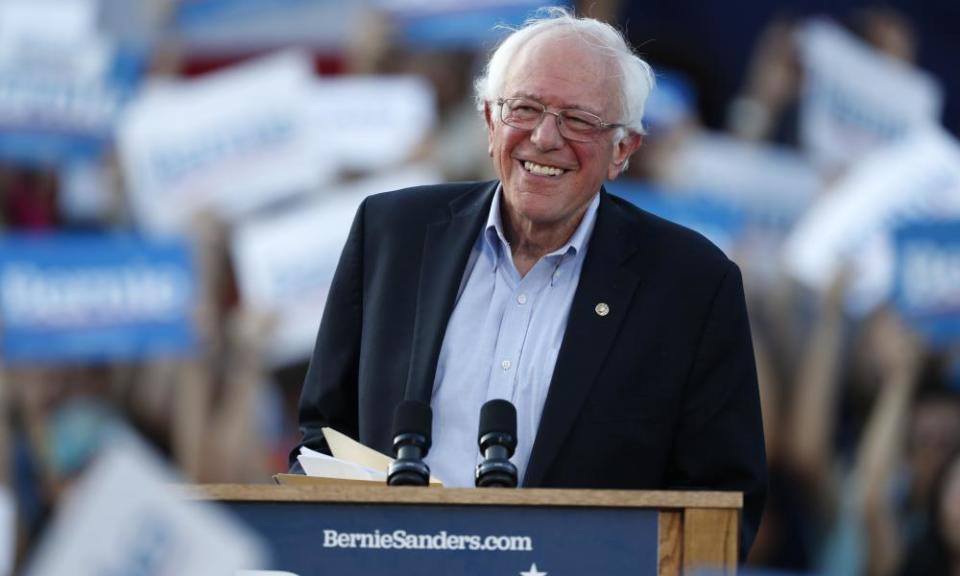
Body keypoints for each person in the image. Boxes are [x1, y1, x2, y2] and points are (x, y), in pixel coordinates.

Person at [290, 7, 766, 555]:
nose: (544, 137)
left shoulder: (692, 285)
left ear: (623, 151)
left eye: (579, 119)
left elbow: (722, 501)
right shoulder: (391, 234)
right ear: (490, 123)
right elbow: (321, 439)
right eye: (525, 108)